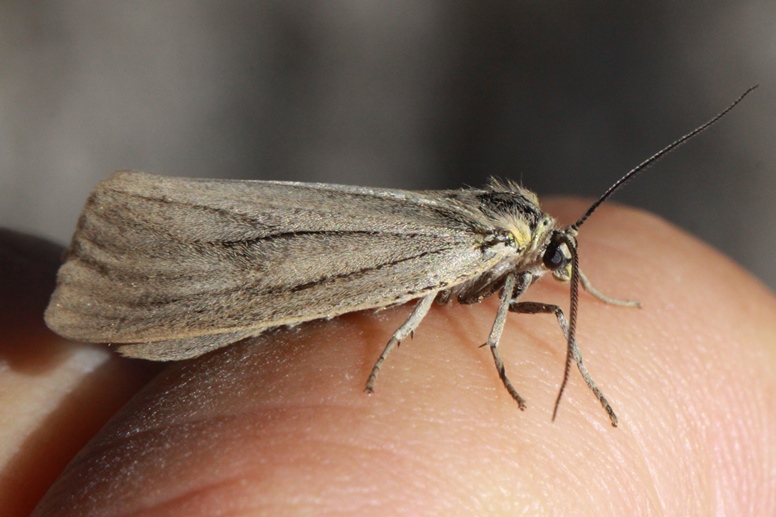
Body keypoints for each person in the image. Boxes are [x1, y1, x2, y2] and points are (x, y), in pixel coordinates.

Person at [4, 200, 775, 515]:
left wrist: (592, 309)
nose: (560, 276)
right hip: (335, 251)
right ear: (534, 247)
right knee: (278, 280)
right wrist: (460, 346)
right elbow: (474, 305)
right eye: (560, 261)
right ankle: (137, 269)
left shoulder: (525, 251)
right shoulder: (489, 246)